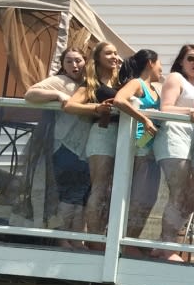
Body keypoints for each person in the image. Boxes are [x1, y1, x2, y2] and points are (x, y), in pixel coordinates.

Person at [26, 47, 91, 245]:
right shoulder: (60, 81)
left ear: (86, 62)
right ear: (62, 65)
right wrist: (57, 95)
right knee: (65, 194)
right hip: (64, 146)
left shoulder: (89, 84)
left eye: (78, 60)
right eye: (69, 61)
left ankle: (76, 239)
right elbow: (30, 94)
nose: (74, 65)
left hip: (85, 149)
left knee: (80, 196)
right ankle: (62, 239)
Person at [63, 41, 121, 249]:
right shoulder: (91, 83)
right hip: (102, 134)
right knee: (100, 186)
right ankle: (95, 239)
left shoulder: (120, 81)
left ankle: (103, 236)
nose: (114, 57)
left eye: (115, 53)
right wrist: (96, 107)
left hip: (121, 136)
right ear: (97, 58)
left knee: (113, 188)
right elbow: (69, 105)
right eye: (109, 53)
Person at [152, 44, 194, 261]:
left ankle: (163, 244)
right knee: (179, 193)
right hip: (174, 140)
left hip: (191, 145)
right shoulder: (176, 78)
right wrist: (190, 111)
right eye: (191, 58)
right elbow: (165, 108)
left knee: (192, 199)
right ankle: (167, 247)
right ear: (181, 61)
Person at [112, 49, 165, 253]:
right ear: (151, 62)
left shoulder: (155, 89)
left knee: (148, 198)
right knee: (138, 197)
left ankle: (132, 239)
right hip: (139, 145)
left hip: (153, 147)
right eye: (160, 63)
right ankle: (126, 241)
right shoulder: (137, 83)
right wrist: (144, 118)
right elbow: (119, 100)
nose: (162, 69)